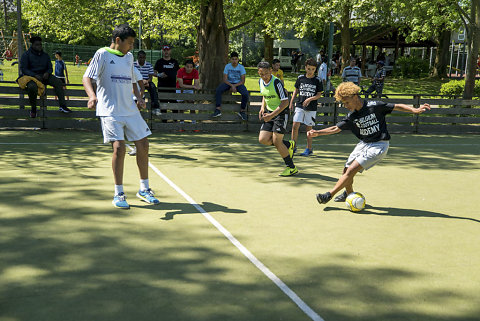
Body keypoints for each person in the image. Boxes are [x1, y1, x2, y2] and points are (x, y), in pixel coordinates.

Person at [307, 82, 431, 205]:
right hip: (364, 143)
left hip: (379, 145)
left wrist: (414, 110)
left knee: (351, 171)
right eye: (343, 103)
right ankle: (348, 194)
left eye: (347, 102)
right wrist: (318, 133)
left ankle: (329, 195)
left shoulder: (374, 106)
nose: (345, 106)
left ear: (355, 97)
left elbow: (396, 106)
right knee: (346, 171)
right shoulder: (352, 116)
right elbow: (336, 128)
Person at [82, 23, 159, 209]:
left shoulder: (129, 57)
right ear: (118, 40)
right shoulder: (102, 54)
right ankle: (118, 193)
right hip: (110, 110)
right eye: (130, 43)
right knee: (119, 148)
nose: (132, 46)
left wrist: (139, 98)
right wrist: (92, 97)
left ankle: (144, 189)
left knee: (144, 144)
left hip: (130, 110)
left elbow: (132, 79)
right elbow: (87, 77)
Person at [257, 61, 298, 177]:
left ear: (270, 71)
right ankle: (288, 145)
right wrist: (262, 108)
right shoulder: (260, 81)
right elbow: (265, 96)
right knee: (263, 139)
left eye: (266, 73)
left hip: (281, 113)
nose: (264, 77)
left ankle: (291, 167)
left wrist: (271, 115)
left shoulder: (277, 83)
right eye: (261, 74)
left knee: (276, 142)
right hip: (270, 113)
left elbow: (285, 102)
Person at [19, 36, 71, 118]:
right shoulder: (26, 55)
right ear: (32, 45)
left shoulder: (45, 55)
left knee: (58, 82)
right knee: (32, 87)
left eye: (40, 44)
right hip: (32, 77)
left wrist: (47, 72)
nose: (39, 46)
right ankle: (33, 108)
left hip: (44, 76)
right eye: (37, 45)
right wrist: (34, 75)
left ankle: (62, 106)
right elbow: (24, 69)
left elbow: (50, 67)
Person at [289, 58, 323, 157]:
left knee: (309, 129)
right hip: (299, 106)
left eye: (312, 69)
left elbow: (319, 95)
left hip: (311, 108)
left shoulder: (318, 80)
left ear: (315, 69)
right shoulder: (300, 78)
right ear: (305, 68)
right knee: (295, 126)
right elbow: (295, 91)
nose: (310, 71)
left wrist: (310, 99)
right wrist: (291, 102)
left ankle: (309, 148)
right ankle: (293, 147)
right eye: (308, 69)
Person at [212, 51, 249, 121]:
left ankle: (242, 111)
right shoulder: (227, 66)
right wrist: (232, 86)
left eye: (236, 59)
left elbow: (243, 81)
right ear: (230, 60)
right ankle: (218, 109)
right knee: (218, 90)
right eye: (233, 59)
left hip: (238, 84)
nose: (234, 61)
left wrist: (235, 86)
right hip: (228, 83)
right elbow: (225, 79)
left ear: (238, 59)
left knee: (245, 94)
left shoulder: (241, 67)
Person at [154, 45, 179, 119]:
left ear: (170, 51)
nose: (166, 52)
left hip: (173, 87)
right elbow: (154, 73)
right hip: (162, 86)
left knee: (173, 103)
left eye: (167, 50)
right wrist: (159, 74)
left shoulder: (174, 62)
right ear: (162, 51)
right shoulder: (159, 62)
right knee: (163, 104)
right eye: (164, 50)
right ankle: (164, 120)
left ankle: (175, 119)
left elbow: (179, 73)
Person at [134, 50, 160, 115]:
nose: (142, 59)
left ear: (145, 58)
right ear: (137, 57)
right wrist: (140, 82)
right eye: (140, 57)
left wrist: (146, 81)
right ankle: (134, 106)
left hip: (146, 82)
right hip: (136, 82)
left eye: (143, 57)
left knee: (153, 86)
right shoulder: (133, 65)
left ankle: (155, 107)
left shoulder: (149, 65)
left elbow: (150, 78)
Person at [176, 59, 201, 124]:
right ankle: (181, 123)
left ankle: (193, 122)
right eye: (187, 67)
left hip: (189, 88)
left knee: (191, 103)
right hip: (180, 88)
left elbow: (196, 83)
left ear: (193, 67)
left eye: (191, 67)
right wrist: (193, 86)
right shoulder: (180, 71)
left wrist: (197, 86)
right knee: (181, 105)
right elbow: (181, 85)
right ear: (184, 66)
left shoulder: (195, 72)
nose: (189, 68)